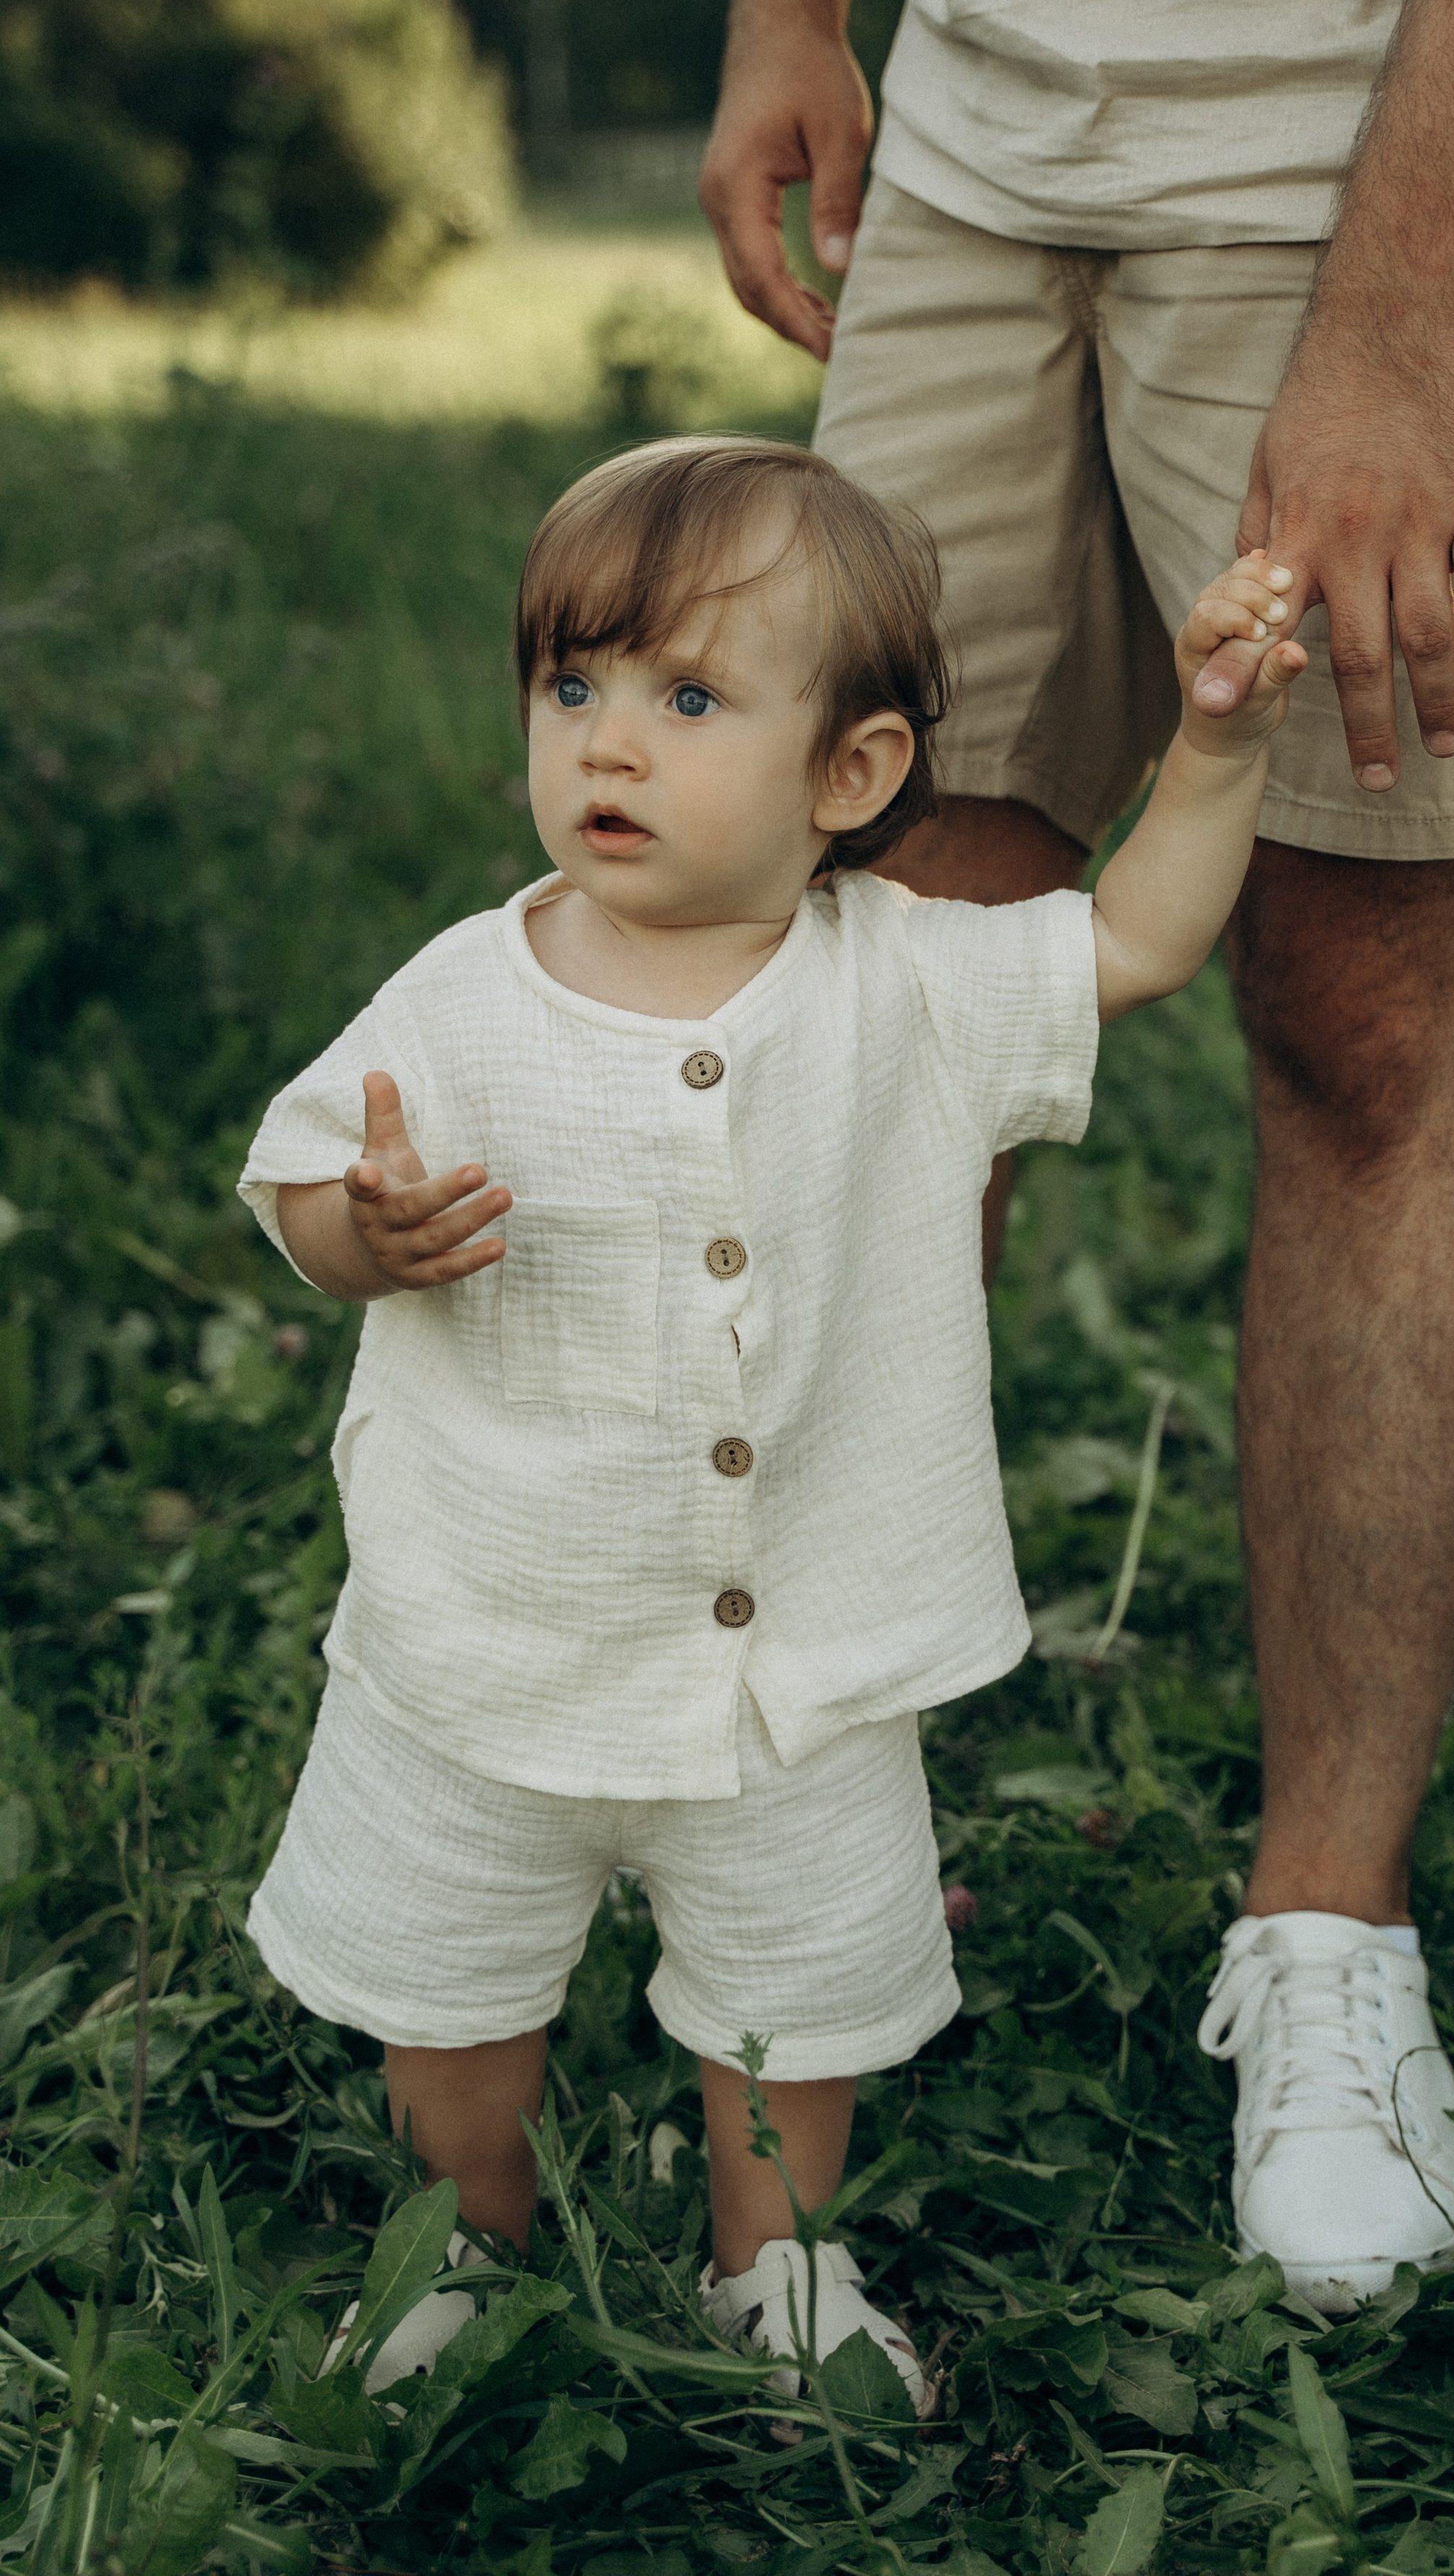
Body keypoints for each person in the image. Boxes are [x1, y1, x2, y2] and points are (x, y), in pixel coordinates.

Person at [697, 0, 1454, 2303]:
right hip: (998, 92)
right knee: (874, 962)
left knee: (1362, 1020)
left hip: (1413, 109)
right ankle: (779, 1812)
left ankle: (1331, 1938)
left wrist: (1415, 312)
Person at [238, 434, 1312, 2399]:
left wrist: (1217, 749)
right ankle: (454, 2240)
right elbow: (303, 1185)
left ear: (855, 775)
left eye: (689, 698)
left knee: (794, 2005)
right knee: (452, 1992)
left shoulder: (914, 989)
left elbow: (1138, 940)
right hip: (494, 1638)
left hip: (798, 1663)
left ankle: (780, 2268)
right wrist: (363, 1234)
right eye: (574, 688)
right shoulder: (466, 996)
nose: (609, 748)